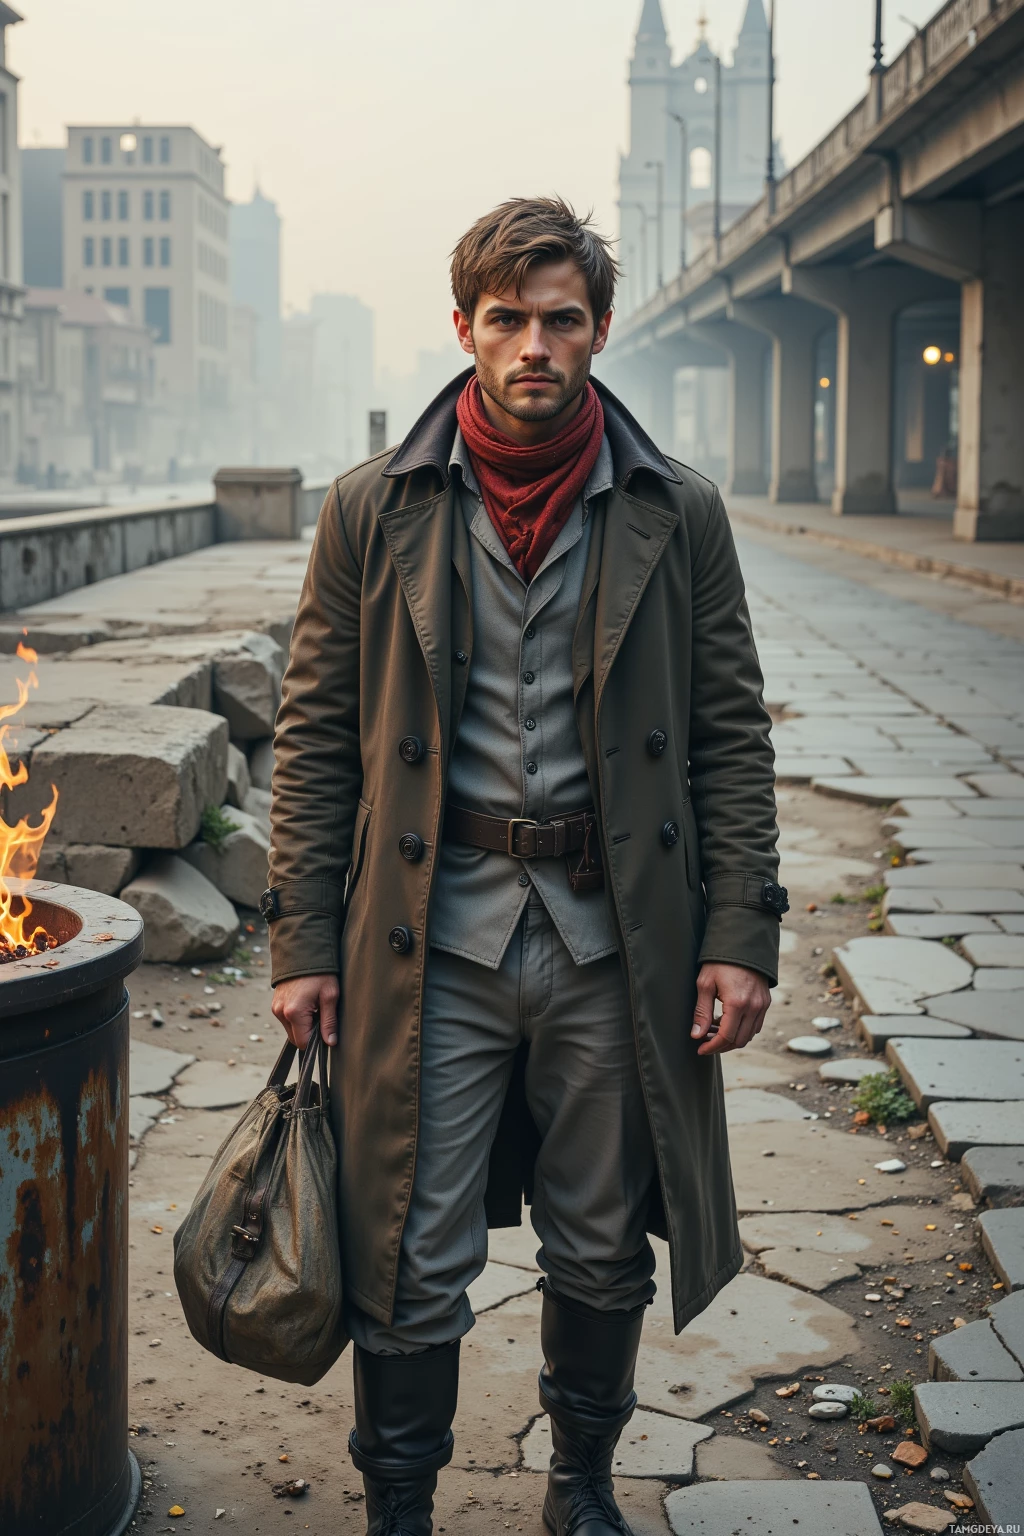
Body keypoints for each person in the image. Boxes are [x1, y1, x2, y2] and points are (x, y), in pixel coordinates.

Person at [264, 197, 785, 1536]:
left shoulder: (681, 515)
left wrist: (741, 932)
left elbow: (730, 738)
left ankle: (580, 1488)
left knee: (601, 1239)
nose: (534, 345)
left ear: (601, 331)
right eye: (507, 319)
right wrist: (302, 946)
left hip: (617, 942)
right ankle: (398, 1507)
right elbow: (316, 740)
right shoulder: (371, 512)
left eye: (562, 319)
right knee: (405, 1236)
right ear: (464, 329)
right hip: (427, 940)